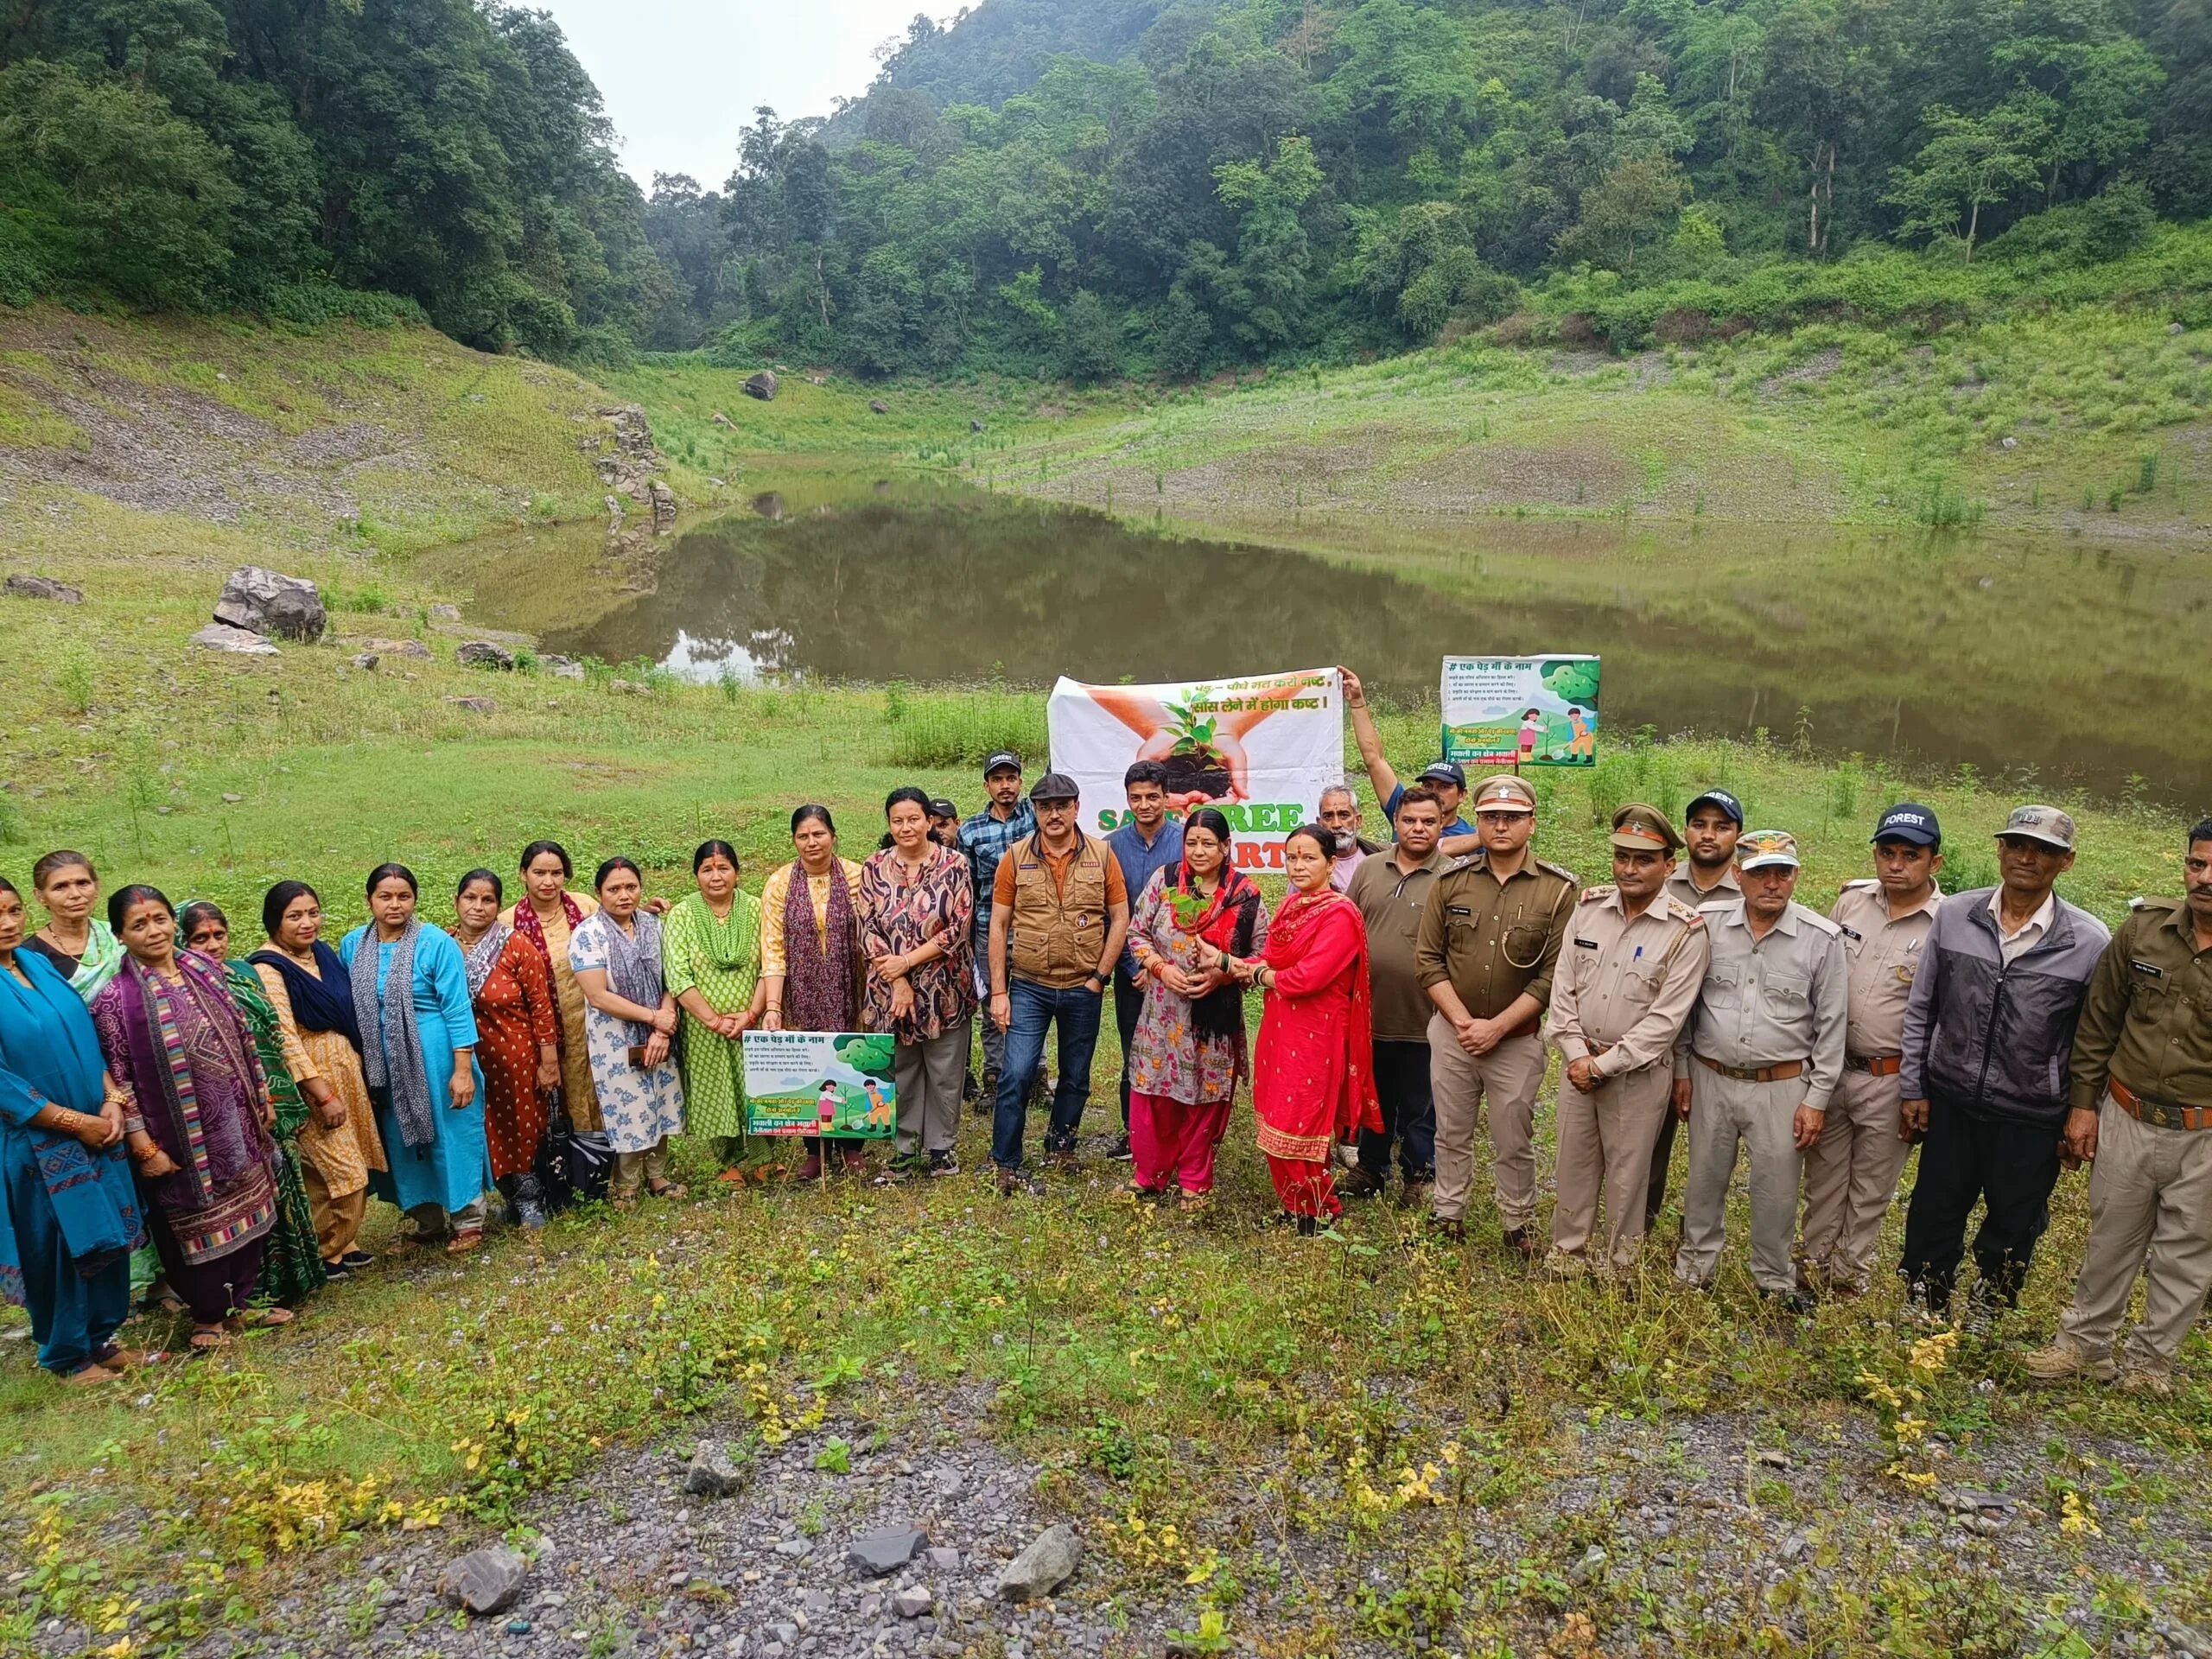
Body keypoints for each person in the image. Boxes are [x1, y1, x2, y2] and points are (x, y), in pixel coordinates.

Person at [2024, 819, 2212, 1395]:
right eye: (2197, 864)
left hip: (2203, 1132)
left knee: (2187, 1253)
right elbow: (2099, 1023)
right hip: (2127, 1115)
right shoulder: (2144, 932)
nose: (2205, 879)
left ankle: (2153, 1363)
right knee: (2111, 1238)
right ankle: (2083, 1348)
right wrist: (2084, 1106)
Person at [1897, 805, 2111, 1313]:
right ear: (2000, 850)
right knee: (1934, 1209)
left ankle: (1988, 1308)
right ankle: (1924, 1302)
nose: (2027, 857)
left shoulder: (2088, 941)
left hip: (2033, 1113)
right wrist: (1914, 1086)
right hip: (1951, 1098)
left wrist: (2084, 1110)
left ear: (2067, 862)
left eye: (2044, 850)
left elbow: (2093, 1039)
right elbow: (1923, 1006)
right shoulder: (1956, 916)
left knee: (2015, 1220)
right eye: (2017, 844)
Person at [92, 886, 289, 1350]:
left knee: (251, 1213)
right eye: (139, 924)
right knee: (196, 1224)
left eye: (159, 919)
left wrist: (263, 1100)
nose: (153, 930)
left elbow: (243, 1039)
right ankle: (208, 1320)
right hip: (180, 1141)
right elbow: (118, 1079)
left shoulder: (204, 970)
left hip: (239, 1123)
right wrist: (142, 1145)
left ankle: (242, 1303)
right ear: (120, 934)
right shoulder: (114, 1002)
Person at [1670, 831, 1848, 1312]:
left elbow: (1832, 1028)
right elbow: (1686, 1005)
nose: (1772, 883)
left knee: (1776, 1187)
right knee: (1704, 1178)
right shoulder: (1704, 924)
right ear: (1737, 876)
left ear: (1796, 876)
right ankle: (1695, 1266)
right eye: (1759, 873)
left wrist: (1816, 1099)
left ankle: (1773, 1277)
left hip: (1783, 1083)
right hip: (1710, 1074)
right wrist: (1682, 1068)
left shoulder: (1821, 939)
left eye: (1782, 873)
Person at [1544, 806, 1711, 1275]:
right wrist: (1578, 1056)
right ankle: (1567, 1254)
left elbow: (1665, 1020)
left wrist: (1603, 1066)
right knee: (1574, 1164)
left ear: (1668, 865)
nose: (1629, 869)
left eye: (1643, 860)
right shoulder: (1589, 909)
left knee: (1628, 1174)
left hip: (1635, 1073)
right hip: (1579, 1063)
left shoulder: (1686, 930)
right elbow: (1563, 993)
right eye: (1622, 857)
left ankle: (1618, 1263)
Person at [1416, 775, 1577, 1250]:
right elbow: (1428, 960)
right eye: (1490, 817)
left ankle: (1517, 1222)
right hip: (1453, 1034)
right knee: (1451, 1129)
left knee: (1514, 1136)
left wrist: (1498, 1027)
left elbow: (1554, 975)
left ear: (1532, 822)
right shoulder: (1449, 881)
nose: (1500, 826)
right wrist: (1464, 1023)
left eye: (1512, 817)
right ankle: (1448, 1211)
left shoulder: (1558, 890)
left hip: (1517, 1039)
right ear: (1477, 822)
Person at [1795, 805, 1945, 1297]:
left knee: (1871, 1188)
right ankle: (1812, 1267)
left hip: (1891, 1077)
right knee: (1824, 1178)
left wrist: (1917, 1089)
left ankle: (1847, 1279)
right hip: (1832, 1068)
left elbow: (1943, 1015)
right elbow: (1823, 979)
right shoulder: (1851, 905)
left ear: (1934, 863)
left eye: (1910, 855)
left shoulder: (1950, 923)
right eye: (1886, 852)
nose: (1896, 864)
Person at [0, 875, 143, 1383]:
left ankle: (102, 1336)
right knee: (60, 1245)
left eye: (13, 911)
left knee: (106, 1234)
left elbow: (88, 1041)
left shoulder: (36, 964)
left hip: (98, 1128)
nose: (7, 923)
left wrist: (110, 1100)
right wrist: (73, 1122)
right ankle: (66, 1352)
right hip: (40, 1143)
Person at [1217, 823, 1381, 1232]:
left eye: (1309, 857)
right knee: (1275, 1114)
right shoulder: (1291, 907)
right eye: (1292, 857)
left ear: (1330, 863)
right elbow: (1271, 959)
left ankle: (1320, 1210)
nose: (1298, 865)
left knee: (1302, 1120)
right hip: (1280, 1025)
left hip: (1318, 1032)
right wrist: (1227, 962)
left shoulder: (1340, 913)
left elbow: (1308, 977)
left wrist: (1255, 976)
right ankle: (1293, 1205)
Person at [177, 901, 325, 1306]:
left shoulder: (243, 974)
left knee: (281, 1187)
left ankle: (295, 1278)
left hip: (267, 1101)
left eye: (219, 935)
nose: (212, 945)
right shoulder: (177, 989)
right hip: (216, 1113)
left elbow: (273, 1034)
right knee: (237, 1199)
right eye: (199, 939)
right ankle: (248, 1293)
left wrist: (279, 1097)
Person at [988, 772, 1130, 1188]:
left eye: (1062, 806)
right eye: (1045, 807)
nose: (1054, 814)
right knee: (1016, 1072)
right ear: (1035, 810)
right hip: (1029, 986)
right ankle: (1006, 1160)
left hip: (1083, 986)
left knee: (1075, 1074)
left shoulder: (1102, 856)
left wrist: (1101, 976)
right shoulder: (1014, 858)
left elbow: (1120, 917)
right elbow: (998, 925)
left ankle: (1060, 1144)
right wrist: (999, 991)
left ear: (1076, 809)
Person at [340, 865, 490, 1253]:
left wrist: (462, 1070)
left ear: (415, 899)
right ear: (369, 900)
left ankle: (468, 1220)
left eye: (403, 896)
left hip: (438, 1059)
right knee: (401, 1139)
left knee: (450, 1135)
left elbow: (458, 1009)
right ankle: (427, 1222)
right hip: (385, 1064)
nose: (395, 905)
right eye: (385, 897)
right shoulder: (353, 944)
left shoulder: (436, 943)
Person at [1125, 807, 1266, 1207]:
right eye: (1191, 843)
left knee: (1205, 1094)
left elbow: (1264, 955)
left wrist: (1224, 973)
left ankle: (1194, 1179)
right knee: (1155, 1093)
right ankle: (1150, 1174)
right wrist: (1159, 967)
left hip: (1213, 1016)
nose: (1199, 851)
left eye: (1208, 844)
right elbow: (1137, 933)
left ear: (1226, 847)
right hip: (1162, 1010)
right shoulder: (1165, 881)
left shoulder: (1243, 894)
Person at [250, 881, 385, 1277]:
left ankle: (345, 1244)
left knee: (343, 1166)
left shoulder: (322, 952)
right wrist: (320, 1092)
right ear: (275, 921)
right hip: (314, 1083)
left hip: (347, 1073)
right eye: (295, 916)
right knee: (340, 1173)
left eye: (313, 912)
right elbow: (284, 1038)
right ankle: (323, 1252)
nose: (307, 923)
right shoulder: (268, 967)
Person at [859, 788, 976, 1179]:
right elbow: (869, 930)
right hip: (890, 992)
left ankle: (942, 1147)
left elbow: (957, 929)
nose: (906, 827)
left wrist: (907, 962)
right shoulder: (874, 867)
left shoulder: (955, 864)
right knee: (903, 1068)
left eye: (914, 819)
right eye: (897, 820)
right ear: (889, 824)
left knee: (945, 1069)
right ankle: (905, 1149)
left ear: (928, 821)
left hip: (944, 986)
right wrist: (899, 981)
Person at [1342, 786, 1450, 1204]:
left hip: (1426, 1017)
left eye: (1428, 821)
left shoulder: (1453, 875)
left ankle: (1419, 1177)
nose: (1418, 828)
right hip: (1370, 1012)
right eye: (1409, 820)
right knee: (1375, 1097)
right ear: (1395, 823)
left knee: (1422, 1103)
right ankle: (1370, 1168)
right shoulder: (1369, 869)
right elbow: (1346, 928)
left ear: (1442, 825)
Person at [1647, 789, 1745, 1231]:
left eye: (1722, 827)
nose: (1709, 836)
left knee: (1712, 1151)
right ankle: (1638, 1223)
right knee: (1647, 1139)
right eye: (1699, 825)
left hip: (1717, 1046)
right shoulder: (1658, 881)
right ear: (1684, 831)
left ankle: (1699, 1236)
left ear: (1737, 836)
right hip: (1656, 1038)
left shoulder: (1753, 888)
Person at [761, 804, 869, 1181]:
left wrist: (872, 995)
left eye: (819, 834)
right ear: (794, 841)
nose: (812, 842)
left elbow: (870, 940)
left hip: (848, 989)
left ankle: (852, 1146)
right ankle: (815, 1150)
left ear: (834, 836)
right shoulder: (778, 883)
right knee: (807, 1066)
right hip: (800, 994)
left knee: (847, 1061)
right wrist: (773, 1006)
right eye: (803, 836)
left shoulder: (858, 876)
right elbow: (773, 947)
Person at [571, 858, 687, 1206]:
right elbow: (598, 995)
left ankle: (658, 1176)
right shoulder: (588, 934)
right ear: (599, 893)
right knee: (629, 1107)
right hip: (616, 1037)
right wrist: (655, 1017)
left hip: (661, 1030)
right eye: (614, 889)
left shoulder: (653, 925)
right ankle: (626, 1184)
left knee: (661, 1101)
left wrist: (664, 1025)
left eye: (631, 887)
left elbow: (673, 977)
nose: (624, 895)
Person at [449, 870, 561, 1227]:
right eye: (470, 898)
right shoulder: (444, 945)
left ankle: (530, 1199)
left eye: (488, 900)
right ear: (456, 901)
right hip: (466, 1058)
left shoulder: (515, 945)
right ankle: (502, 1195)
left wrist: (548, 1062)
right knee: (483, 1126)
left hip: (515, 1055)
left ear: (499, 906)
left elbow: (542, 1006)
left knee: (521, 1124)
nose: (478, 907)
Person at [663, 841, 764, 1181]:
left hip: (754, 1018)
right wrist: (714, 1020)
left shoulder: (756, 909)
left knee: (758, 1083)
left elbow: (772, 964)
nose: (716, 876)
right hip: (703, 1025)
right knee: (716, 1086)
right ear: (696, 875)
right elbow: (677, 974)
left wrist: (751, 1014)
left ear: (737, 872)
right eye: (707, 869)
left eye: (723, 868)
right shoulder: (682, 915)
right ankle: (728, 1162)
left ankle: (765, 1157)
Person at [502, 841, 604, 1150]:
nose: (549, 882)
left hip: (592, 1022)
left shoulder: (585, 907)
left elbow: (617, 927)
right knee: (553, 1098)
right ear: (523, 874)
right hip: (541, 1030)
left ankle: (603, 1166)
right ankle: (564, 1170)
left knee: (597, 1090)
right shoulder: (507, 923)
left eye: (557, 873)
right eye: (539, 873)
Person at [1108, 760, 1185, 1161]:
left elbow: (1198, 908)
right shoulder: (1112, 846)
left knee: (1177, 1050)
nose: (1144, 804)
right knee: (1133, 1050)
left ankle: (1177, 1135)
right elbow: (1111, 914)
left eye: (1152, 796)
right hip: (1131, 973)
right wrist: (1134, 966)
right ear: (1127, 800)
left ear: (1166, 798)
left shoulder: (1187, 841)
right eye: (1136, 798)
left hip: (1178, 972)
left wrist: (1167, 968)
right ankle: (1133, 1133)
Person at [959, 753, 1036, 1109]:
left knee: (1035, 1002)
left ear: (1020, 782)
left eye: (1011, 778)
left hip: (1035, 929)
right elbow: (968, 888)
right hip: (990, 929)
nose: (1005, 785)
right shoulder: (971, 831)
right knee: (993, 1003)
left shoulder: (1037, 817)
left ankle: (1037, 1077)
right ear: (986, 785)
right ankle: (995, 1077)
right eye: (998, 779)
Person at [1342, 668, 1472, 836]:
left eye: (1444, 787)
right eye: (1428, 786)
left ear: (1462, 795)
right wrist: (1357, 703)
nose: (1434, 792)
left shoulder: (1472, 839)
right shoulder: (1403, 810)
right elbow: (1374, 759)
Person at [22, 850, 124, 1002]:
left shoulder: (119, 936)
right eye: (60, 887)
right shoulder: (28, 956)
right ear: (40, 896)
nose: (75, 894)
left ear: (96, 887)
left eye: (82, 883)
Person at [1319, 785, 1382, 893]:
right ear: (1319, 823)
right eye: (1328, 816)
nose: (1336, 824)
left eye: (1344, 815)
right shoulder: (1308, 866)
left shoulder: (1381, 859)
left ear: (1358, 820)